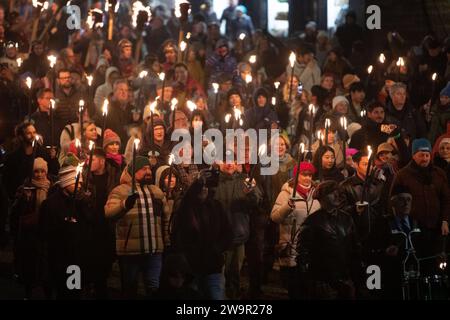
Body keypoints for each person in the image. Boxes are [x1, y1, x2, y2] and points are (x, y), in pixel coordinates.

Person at [105, 156, 170, 298]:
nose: (148, 171)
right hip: (130, 252)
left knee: (153, 288)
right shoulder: (120, 191)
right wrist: (124, 205)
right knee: (130, 289)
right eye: (143, 169)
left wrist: (167, 239)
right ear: (133, 172)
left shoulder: (157, 191)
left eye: (149, 168)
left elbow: (166, 218)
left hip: (154, 250)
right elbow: (109, 213)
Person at [170, 168, 233, 299]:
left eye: (206, 187)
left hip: (213, 266)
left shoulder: (216, 207)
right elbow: (179, 232)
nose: (204, 190)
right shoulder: (187, 208)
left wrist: (217, 249)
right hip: (191, 268)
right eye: (201, 187)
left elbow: (227, 233)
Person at [390, 138, 450, 274]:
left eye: (427, 155)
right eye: (421, 155)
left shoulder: (439, 174)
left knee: (437, 267)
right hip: (414, 231)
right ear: (413, 155)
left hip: (436, 229)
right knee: (418, 266)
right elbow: (394, 202)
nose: (425, 158)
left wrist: (445, 220)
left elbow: (446, 199)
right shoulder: (402, 175)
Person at [39, 155, 94, 299]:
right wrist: (64, 226)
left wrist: (86, 204)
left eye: (81, 182)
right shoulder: (51, 204)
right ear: (64, 183)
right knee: (62, 292)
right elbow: (45, 231)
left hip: (75, 259)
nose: (79, 185)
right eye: (75, 182)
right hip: (58, 258)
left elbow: (90, 223)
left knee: (73, 291)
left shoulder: (80, 201)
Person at [297, 180, 362, 299]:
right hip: (324, 281)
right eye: (332, 193)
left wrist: (356, 275)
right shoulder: (313, 221)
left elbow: (354, 247)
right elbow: (303, 254)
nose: (337, 196)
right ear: (322, 197)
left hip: (345, 279)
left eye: (338, 192)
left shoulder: (346, 218)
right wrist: (312, 282)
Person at [271, 161, 320, 299]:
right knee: (294, 286)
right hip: (291, 245)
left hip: (310, 247)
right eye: (304, 175)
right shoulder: (286, 193)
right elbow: (274, 217)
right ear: (296, 176)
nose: (307, 178)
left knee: (308, 286)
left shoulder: (316, 193)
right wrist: (287, 207)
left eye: (310, 175)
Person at [214, 160, 262, 299]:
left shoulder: (244, 180)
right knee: (220, 273)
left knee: (235, 273)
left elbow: (256, 201)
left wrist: (250, 192)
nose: (229, 164)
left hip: (238, 233)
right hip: (219, 236)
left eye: (232, 161)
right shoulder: (214, 180)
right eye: (225, 160)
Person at [10, 157, 51, 299]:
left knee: (45, 265)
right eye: (36, 171)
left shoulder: (51, 188)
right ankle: (29, 291)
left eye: (42, 171)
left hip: (45, 232)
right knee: (29, 264)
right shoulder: (25, 187)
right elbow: (15, 211)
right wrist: (23, 199)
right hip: (29, 233)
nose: (39, 175)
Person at [3, 122, 59, 200]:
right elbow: (7, 182)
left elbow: (54, 172)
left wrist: (53, 158)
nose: (33, 135)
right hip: (22, 200)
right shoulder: (12, 158)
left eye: (34, 132)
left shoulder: (43, 153)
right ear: (21, 137)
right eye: (29, 133)